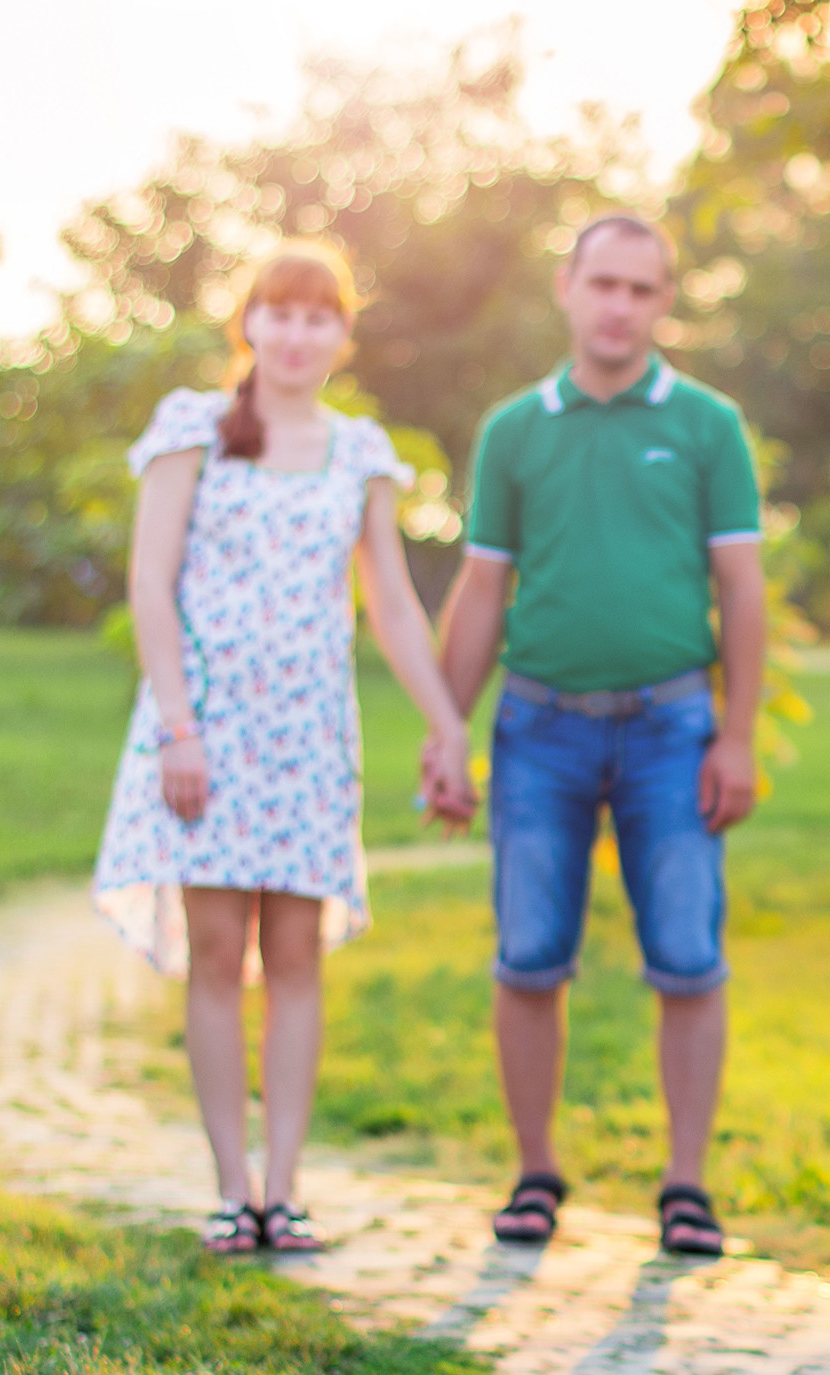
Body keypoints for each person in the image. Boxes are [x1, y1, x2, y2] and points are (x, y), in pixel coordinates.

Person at [95, 240, 477, 1256]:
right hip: (205, 727)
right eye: (282, 312)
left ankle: (286, 1188)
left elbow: (390, 603)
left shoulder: (361, 453)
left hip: (310, 734)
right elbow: (150, 583)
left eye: (321, 316)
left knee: (297, 953)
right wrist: (178, 725)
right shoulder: (193, 431)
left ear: (343, 335)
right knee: (217, 952)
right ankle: (230, 1189)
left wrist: (444, 719)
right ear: (250, 323)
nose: (299, 333)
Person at [437, 213, 766, 1257]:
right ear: (567, 289)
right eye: (604, 284)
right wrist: (448, 731)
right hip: (539, 729)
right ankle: (535, 1173)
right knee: (529, 954)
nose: (621, 305)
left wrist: (738, 736)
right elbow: (482, 587)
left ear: (664, 302)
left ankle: (685, 1186)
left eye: (642, 288)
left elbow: (740, 587)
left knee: (686, 953)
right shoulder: (514, 432)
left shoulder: (708, 425)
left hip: (674, 726)